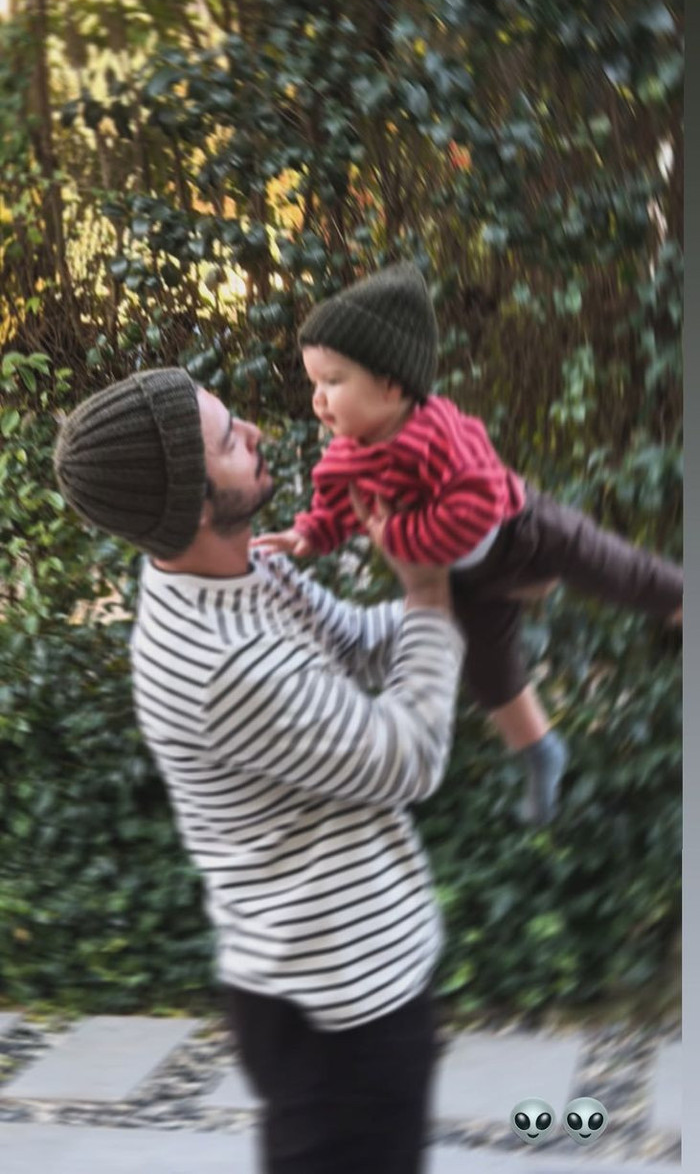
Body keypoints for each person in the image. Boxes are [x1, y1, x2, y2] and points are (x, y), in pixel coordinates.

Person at [53, 366, 466, 1174]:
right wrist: (428, 596)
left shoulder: (235, 571)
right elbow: (406, 756)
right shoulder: (218, 663)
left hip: (353, 976)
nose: (257, 436)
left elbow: (349, 637)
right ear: (194, 505)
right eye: (228, 439)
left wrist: (469, 589)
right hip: (338, 1013)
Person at [252, 262, 683, 827]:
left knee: (612, 566)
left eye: (332, 382)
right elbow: (337, 506)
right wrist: (308, 534)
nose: (319, 400)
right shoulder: (345, 454)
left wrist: (400, 538)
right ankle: (539, 751)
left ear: (390, 384)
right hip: (469, 579)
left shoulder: (441, 434)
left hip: (523, 531)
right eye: (314, 384)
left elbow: (476, 502)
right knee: (489, 671)